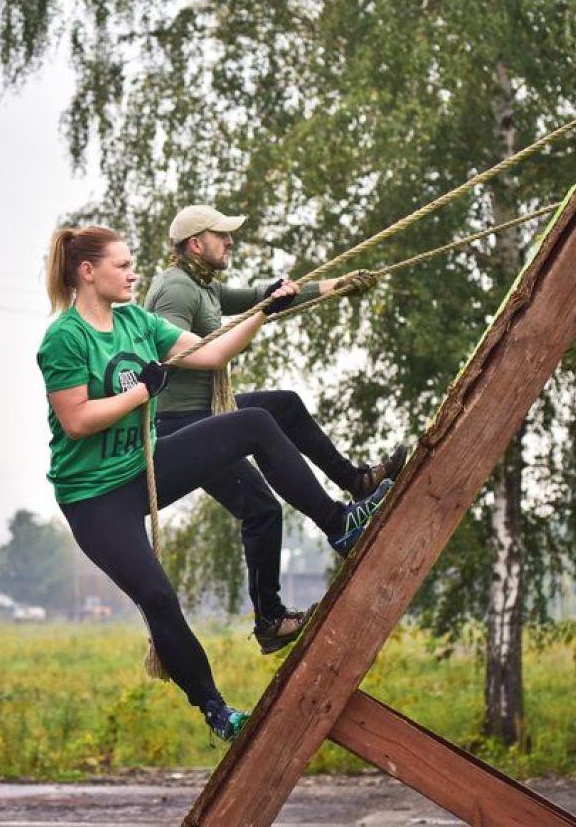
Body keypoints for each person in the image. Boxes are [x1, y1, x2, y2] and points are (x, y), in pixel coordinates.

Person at [37, 224, 393, 742]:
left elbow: (212, 353)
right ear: (88, 273)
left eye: (132, 262)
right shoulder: (65, 338)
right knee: (158, 598)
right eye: (122, 265)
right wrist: (140, 394)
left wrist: (264, 312)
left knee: (257, 422)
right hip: (94, 498)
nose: (133, 272)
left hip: (145, 466)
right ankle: (216, 710)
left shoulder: (137, 321)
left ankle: (340, 524)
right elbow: (78, 420)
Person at [145, 204, 408, 656]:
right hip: (181, 427)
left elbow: (259, 299)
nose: (230, 242)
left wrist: (334, 285)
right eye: (221, 236)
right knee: (262, 443)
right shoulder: (174, 289)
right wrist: (262, 313)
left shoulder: (202, 286)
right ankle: (339, 524)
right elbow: (178, 354)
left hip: (206, 413)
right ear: (195, 244)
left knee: (279, 418)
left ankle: (355, 484)